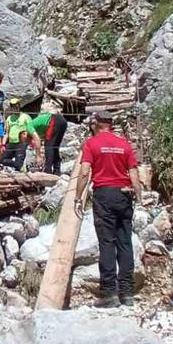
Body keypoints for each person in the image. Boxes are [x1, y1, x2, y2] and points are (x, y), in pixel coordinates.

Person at [73, 110, 143, 308]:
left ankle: (108, 293)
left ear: (97, 123)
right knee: (125, 243)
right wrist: (138, 196)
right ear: (111, 124)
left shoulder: (92, 144)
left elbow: (85, 171)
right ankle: (127, 293)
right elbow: (134, 172)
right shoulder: (124, 144)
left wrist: (78, 197)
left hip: (104, 195)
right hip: (124, 194)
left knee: (106, 243)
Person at [1, 98, 41, 172]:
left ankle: (20, 167)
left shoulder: (26, 117)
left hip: (22, 143)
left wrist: (32, 141)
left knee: (18, 163)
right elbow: (6, 133)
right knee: (2, 160)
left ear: (19, 106)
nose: (15, 108)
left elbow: (31, 130)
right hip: (11, 142)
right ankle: (18, 166)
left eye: (16, 106)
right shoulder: (9, 118)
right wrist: (3, 144)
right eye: (13, 107)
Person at [28, 108, 69, 175]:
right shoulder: (37, 129)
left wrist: (38, 156)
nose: (27, 142)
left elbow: (37, 139)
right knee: (55, 147)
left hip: (54, 120)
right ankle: (57, 171)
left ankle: (48, 171)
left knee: (49, 146)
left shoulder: (28, 127)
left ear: (24, 134)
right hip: (62, 121)